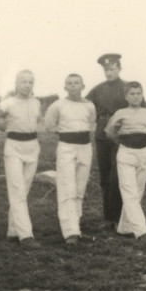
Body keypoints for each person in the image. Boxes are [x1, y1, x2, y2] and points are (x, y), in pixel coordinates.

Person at [87, 53, 145, 229]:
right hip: (102, 135)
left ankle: (120, 216)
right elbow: (86, 107)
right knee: (105, 176)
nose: (108, 72)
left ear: (119, 68)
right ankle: (108, 218)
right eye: (106, 69)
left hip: (121, 136)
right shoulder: (97, 89)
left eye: (112, 68)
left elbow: (141, 110)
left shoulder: (128, 88)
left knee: (117, 176)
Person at [42, 74, 97, 244]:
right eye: (69, 84)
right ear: (65, 87)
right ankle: (70, 232)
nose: (73, 86)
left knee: (80, 188)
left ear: (83, 86)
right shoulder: (58, 105)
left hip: (85, 147)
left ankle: (76, 226)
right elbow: (50, 125)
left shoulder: (89, 105)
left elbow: (91, 123)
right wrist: (67, 133)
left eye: (76, 83)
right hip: (66, 147)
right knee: (67, 187)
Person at [104, 82, 146, 240]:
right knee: (129, 193)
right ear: (126, 96)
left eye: (138, 93)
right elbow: (110, 133)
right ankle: (142, 231)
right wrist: (125, 142)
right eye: (132, 94)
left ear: (142, 95)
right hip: (126, 154)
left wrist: (141, 141)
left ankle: (124, 227)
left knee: (138, 192)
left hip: (143, 153)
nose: (136, 96)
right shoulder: (120, 113)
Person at [0, 70, 42, 248]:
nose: (27, 85)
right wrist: (2, 126)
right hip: (14, 148)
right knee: (17, 190)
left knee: (23, 191)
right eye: (23, 81)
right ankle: (26, 235)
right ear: (16, 84)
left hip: (32, 147)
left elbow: (36, 121)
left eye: (30, 82)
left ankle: (13, 230)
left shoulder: (36, 103)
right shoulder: (8, 103)